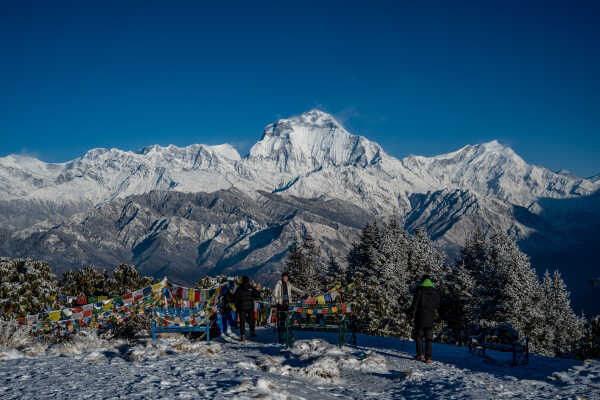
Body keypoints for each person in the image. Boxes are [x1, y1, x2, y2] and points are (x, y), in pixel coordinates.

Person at [408, 274, 441, 363]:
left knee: (419, 337)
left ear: (422, 281)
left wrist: (410, 312)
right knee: (429, 338)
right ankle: (428, 358)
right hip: (430, 318)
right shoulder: (435, 292)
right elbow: (437, 304)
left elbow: (414, 304)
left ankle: (420, 354)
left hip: (420, 317)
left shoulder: (419, 290)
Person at [272, 272, 304, 344]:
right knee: (281, 321)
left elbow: (294, 289)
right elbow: (275, 292)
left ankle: (287, 336)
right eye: (284, 277)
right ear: (282, 277)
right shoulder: (279, 284)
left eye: (286, 277)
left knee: (288, 320)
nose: (285, 278)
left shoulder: (289, 284)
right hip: (280, 304)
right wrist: (277, 301)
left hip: (287, 304)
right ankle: (281, 337)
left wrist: (301, 292)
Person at [233, 276, 261, 342]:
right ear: (248, 281)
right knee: (251, 319)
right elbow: (257, 295)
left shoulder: (239, 288)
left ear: (242, 281)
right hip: (250, 307)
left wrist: (237, 306)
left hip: (241, 307)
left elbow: (235, 297)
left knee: (242, 322)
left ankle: (243, 335)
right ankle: (252, 332)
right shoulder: (250, 287)